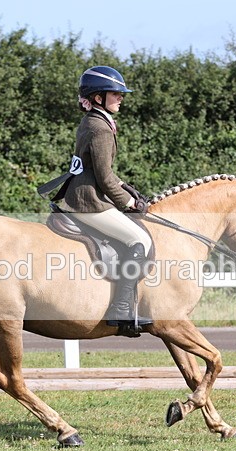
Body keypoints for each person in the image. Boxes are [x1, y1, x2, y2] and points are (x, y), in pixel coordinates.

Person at [57, 66, 153, 337]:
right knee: (139, 240)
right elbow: (104, 178)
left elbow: (105, 172)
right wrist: (128, 203)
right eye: (116, 93)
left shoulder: (94, 121)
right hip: (89, 202)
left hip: (83, 195)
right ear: (98, 97)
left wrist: (129, 190)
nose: (121, 98)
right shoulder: (100, 128)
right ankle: (121, 309)